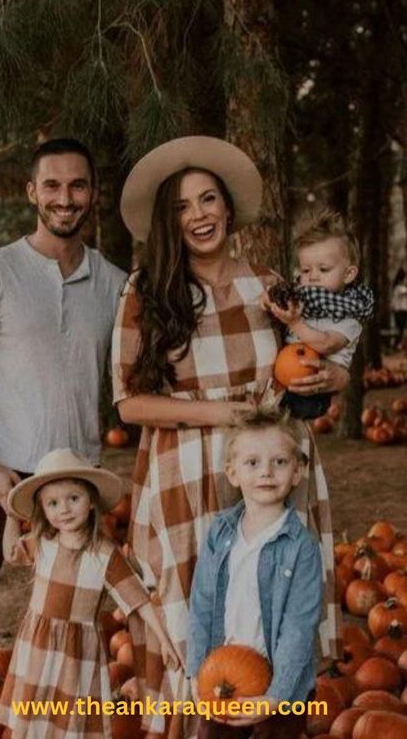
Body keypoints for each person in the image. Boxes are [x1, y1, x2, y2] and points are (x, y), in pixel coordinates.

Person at [112, 136, 347, 739]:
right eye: (183, 206)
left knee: (274, 606)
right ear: (169, 222)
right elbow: (129, 402)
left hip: (269, 465)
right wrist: (220, 416)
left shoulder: (269, 286)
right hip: (185, 477)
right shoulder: (147, 291)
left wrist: (332, 374)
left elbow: (316, 357)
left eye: (209, 199)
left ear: (227, 207)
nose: (199, 214)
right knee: (199, 616)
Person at [0, 138, 126, 727]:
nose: (65, 198)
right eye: (52, 185)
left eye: (77, 186)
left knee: (80, 613)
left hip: (78, 487)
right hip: (4, 473)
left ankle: (68, 719)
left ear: (93, 194)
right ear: (31, 193)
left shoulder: (117, 285)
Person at [0, 448, 178, 738]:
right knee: (30, 717)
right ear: (42, 509)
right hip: (38, 645)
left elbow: (138, 599)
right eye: (53, 503)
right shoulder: (42, 542)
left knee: (71, 723)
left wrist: (164, 639)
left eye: (73, 498)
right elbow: (10, 553)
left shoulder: (105, 555)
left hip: (77, 651)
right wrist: (9, 515)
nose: (64, 509)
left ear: (91, 502)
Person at [187, 409, 323, 739]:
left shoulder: (301, 546)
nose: (266, 472)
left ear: (297, 471)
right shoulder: (219, 534)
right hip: (223, 675)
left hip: (281, 683)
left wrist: (276, 697)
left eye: (279, 462)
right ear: (232, 473)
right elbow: (202, 606)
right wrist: (195, 674)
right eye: (252, 463)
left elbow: (298, 627)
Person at [264, 208, 374, 419]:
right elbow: (272, 297)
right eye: (306, 270)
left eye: (323, 270)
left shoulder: (349, 315)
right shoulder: (304, 297)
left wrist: (295, 323)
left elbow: (326, 344)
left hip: (315, 384)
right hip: (285, 371)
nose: (313, 277)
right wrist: (269, 299)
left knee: (289, 417)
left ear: (349, 274)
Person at [392, 268, 407, 351]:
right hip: (400, 312)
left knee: (401, 329)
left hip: (402, 311)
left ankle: (398, 345)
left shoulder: (400, 288)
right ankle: (396, 346)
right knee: (400, 330)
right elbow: (403, 291)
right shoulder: (398, 288)